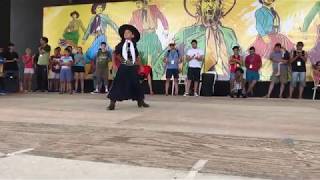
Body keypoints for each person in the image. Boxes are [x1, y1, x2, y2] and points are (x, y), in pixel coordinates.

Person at [107, 24, 149, 110]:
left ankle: (140, 101)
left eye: (128, 32)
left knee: (136, 84)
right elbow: (115, 54)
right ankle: (112, 103)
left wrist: (141, 66)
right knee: (118, 84)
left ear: (132, 35)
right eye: (125, 33)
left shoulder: (134, 45)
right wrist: (115, 64)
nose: (126, 34)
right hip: (124, 67)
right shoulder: (121, 44)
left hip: (133, 67)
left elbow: (137, 56)